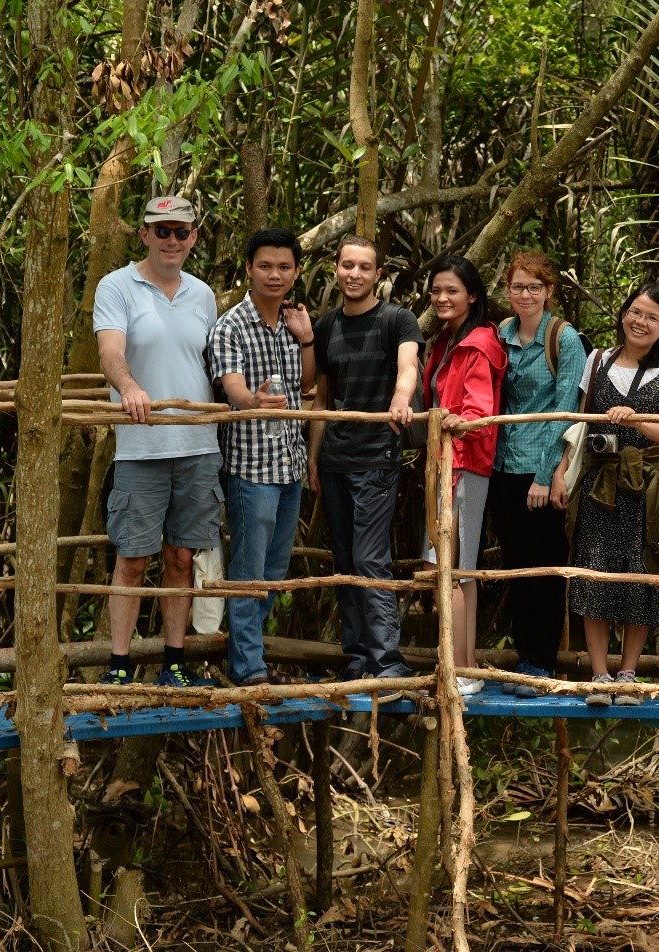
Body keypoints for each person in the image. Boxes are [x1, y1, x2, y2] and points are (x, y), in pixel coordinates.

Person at [94, 196, 221, 688]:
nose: (172, 240)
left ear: (192, 238)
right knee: (132, 558)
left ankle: (174, 661)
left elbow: (212, 363)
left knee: (182, 558)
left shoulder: (203, 294)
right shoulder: (117, 286)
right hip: (142, 446)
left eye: (181, 232)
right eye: (162, 231)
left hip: (197, 445)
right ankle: (119, 664)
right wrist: (129, 388)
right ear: (144, 235)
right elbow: (110, 351)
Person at [550, 285, 659, 707]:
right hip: (597, 484)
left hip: (648, 486)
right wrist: (561, 472)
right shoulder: (597, 361)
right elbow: (579, 423)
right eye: (634, 312)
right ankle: (599, 675)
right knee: (593, 572)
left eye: (651, 317)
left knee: (640, 572)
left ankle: (628, 672)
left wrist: (636, 419)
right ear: (623, 314)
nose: (640, 322)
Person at [308, 235, 424, 688]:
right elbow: (321, 397)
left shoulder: (397, 320)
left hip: (377, 455)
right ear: (336, 270)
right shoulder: (325, 326)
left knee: (369, 557)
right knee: (343, 559)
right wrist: (313, 459)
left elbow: (408, 368)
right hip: (335, 457)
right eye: (347, 265)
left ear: (379, 275)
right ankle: (356, 656)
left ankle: (386, 659)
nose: (354, 274)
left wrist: (400, 398)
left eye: (364, 267)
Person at [207, 227, 315, 686]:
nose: (275, 274)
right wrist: (253, 400)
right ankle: (247, 667)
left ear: (296, 272)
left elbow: (307, 385)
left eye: (284, 267)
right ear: (249, 268)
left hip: (289, 463)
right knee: (249, 568)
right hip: (251, 468)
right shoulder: (231, 325)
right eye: (265, 266)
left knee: (274, 568)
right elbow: (232, 389)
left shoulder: (294, 321)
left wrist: (307, 340)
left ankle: (247, 652)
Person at [487, 251, 587, 698]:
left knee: (545, 567)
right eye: (517, 286)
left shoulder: (563, 338)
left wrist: (547, 475)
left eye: (534, 287)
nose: (525, 294)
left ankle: (541, 662)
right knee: (515, 566)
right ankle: (525, 655)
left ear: (549, 291)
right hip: (503, 464)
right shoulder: (501, 334)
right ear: (507, 291)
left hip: (540, 468)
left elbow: (565, 409)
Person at [421, 256, 507, 697]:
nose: (441, 298)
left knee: (447, 567)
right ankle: (466, 666)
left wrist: (453, 420)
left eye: (452, 290)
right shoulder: (448, 340)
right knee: (461, 569)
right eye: (436, 290)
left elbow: (478, 411)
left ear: (472, 296)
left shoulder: (476, 344)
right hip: (451, 464)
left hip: (462, 464)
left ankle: (456, 669)